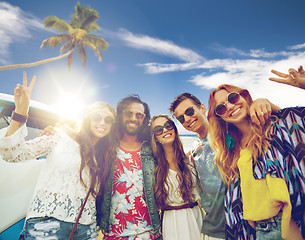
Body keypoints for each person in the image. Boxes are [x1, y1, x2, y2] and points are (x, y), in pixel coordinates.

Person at [0, 72, 117, 239]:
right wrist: (21, 111)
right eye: (97, 117)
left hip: (87, 229)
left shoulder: (106, 155)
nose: (102, 123)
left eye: (108, 119)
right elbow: (12, 154)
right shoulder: (60, 135)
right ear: (87, 119)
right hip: (47, 223)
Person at [207, 67, 305, 239]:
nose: (229, 106)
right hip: (258, 232)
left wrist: (302, 85)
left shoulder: (278, 128)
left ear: (244, 96)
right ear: (220, 118)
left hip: (292, 223)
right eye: (221, 108)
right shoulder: (230, 154)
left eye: (232, 97)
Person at [169, 93, 273, 240]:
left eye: (189, 111)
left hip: (245, 224)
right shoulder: (193, 151)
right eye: (181, 118)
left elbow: (260, 127)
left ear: (202, 108)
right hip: (213, 230)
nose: (186, 119)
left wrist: (262, 101)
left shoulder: (229, 130)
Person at [96, 95, 161, 239]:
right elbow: (84, 141)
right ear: (120, 115)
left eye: (139, 115)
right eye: (129, 113)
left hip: (149, 233)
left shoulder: (152, 148)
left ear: (144, 118)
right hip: (114, 234)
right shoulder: (106, 146)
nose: (133, 118)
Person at [150, 114, 203, 239]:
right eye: (158, 129)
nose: (165, 130)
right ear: (156, 138)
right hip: (171, 221)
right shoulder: (154, 168)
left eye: (168, 125)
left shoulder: (191, 160)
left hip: (195, 216)